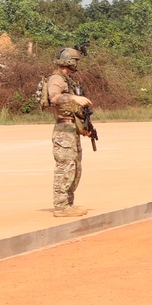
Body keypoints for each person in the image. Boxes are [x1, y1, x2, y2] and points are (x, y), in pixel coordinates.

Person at [45, 47, 92, 217]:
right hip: (63, 130)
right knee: (65, 167)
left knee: (75, 168)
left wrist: (84, 128)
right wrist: (74, 98)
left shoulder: (68, 80)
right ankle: (61, 206)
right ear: (68, 61)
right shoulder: (56, 79)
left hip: (71, 129)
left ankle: (68, 204)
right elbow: (54, 98)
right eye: (75, 60)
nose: (77, 64)